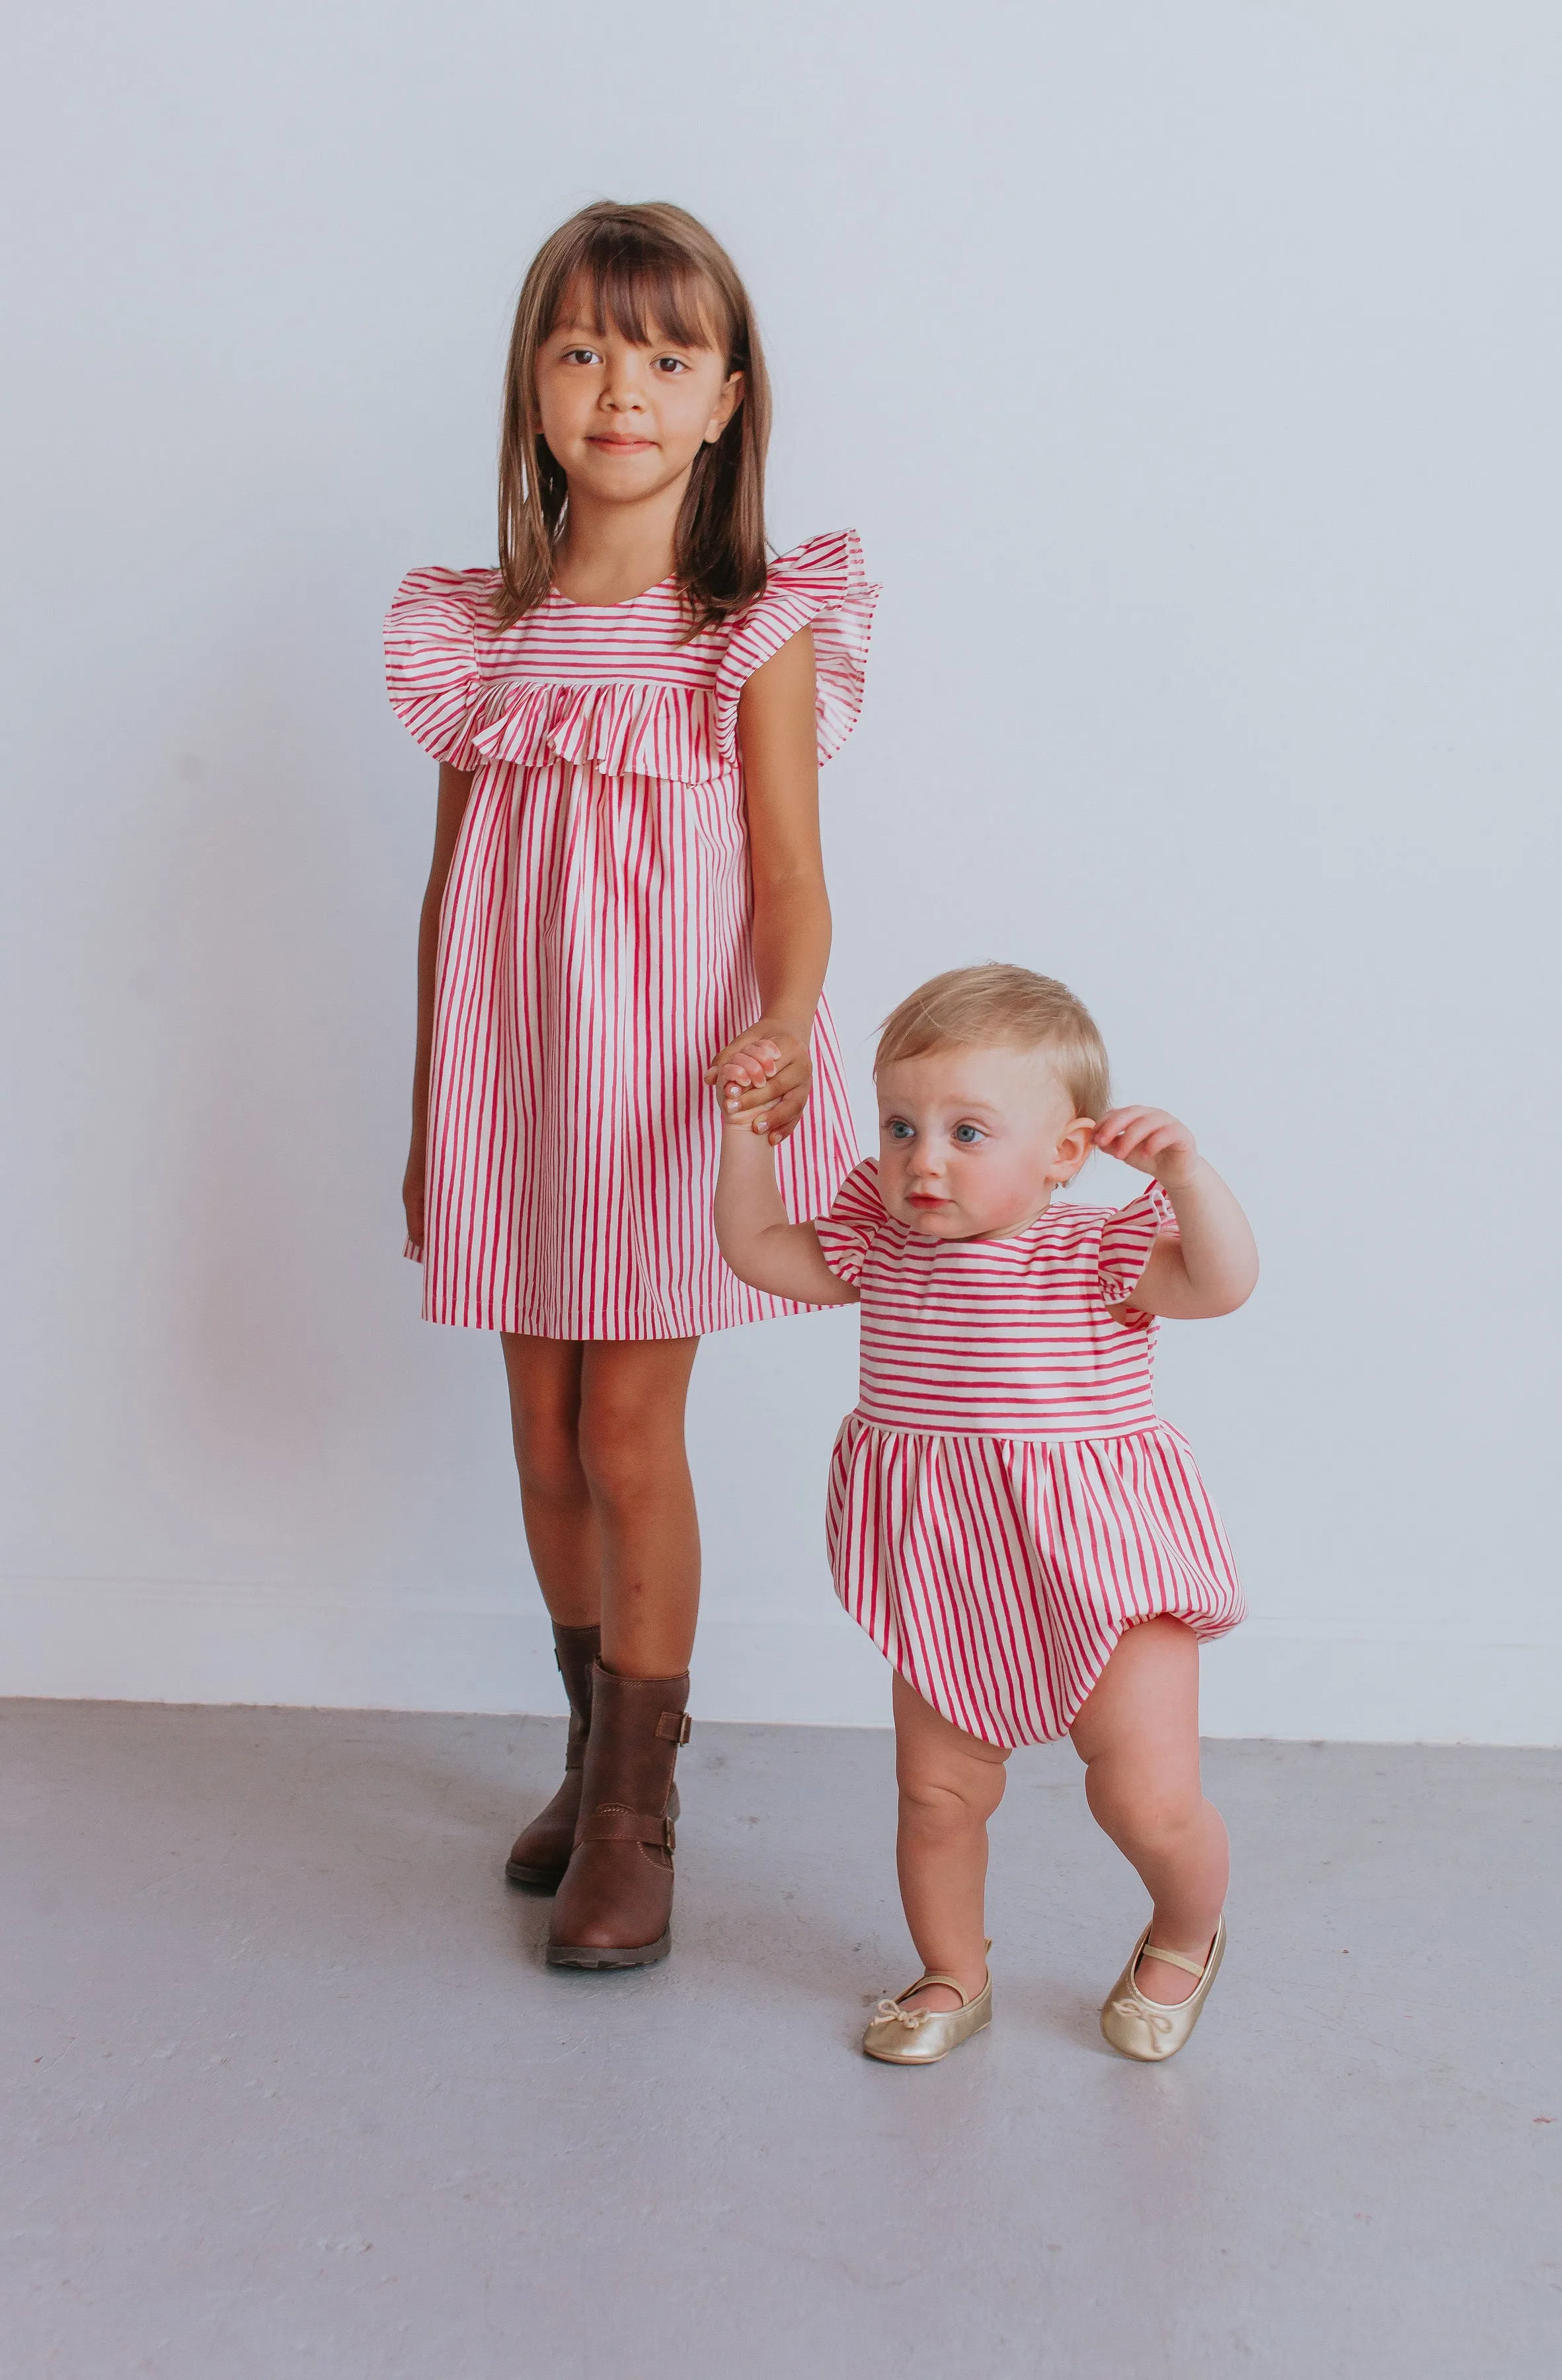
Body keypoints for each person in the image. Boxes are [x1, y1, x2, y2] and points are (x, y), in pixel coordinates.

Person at [386, 201, 878, 1970]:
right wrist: (433, 1109)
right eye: (586, 348)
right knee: (535, 1439)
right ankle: (589, 1738)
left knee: (623, 1432)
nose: (623, 389)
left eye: (666, 357)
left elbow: (794, 879)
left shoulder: (746, 630)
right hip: (522, 1084)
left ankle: (636, 1813)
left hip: (674, 1082)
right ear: (533, 386)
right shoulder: (480, 632)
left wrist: (780, 1023)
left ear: (726, 397)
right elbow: (454, 898)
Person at [713, 964, 1257, 2061]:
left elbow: (1222, 1283)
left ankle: (1188, 1929)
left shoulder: (1094, 1256)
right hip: (953, 1572)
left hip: (1104, 1568)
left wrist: (1190, 1177)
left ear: (1065, 1154)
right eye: (903, 1125)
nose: (923, 1158)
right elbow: (757, 1251)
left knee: (1145, 1801)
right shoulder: (884, 1246)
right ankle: (953, 1972)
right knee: (937, 1796)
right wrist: (746, 1144)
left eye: (970, 1132)